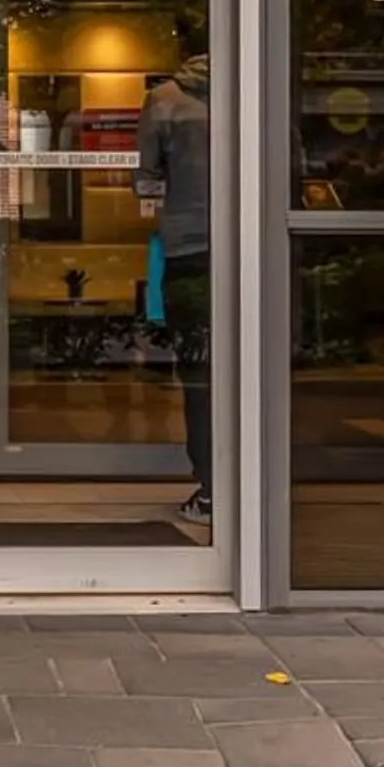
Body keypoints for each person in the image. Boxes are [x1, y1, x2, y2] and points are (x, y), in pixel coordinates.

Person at [134, 52, 214, 527]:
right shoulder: (262, 91)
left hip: (189, 249)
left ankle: (211, 488)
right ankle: (259, 485)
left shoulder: (163, 100)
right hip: (260, 251)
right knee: (257, 371)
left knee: (201, 370)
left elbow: (144, 178)